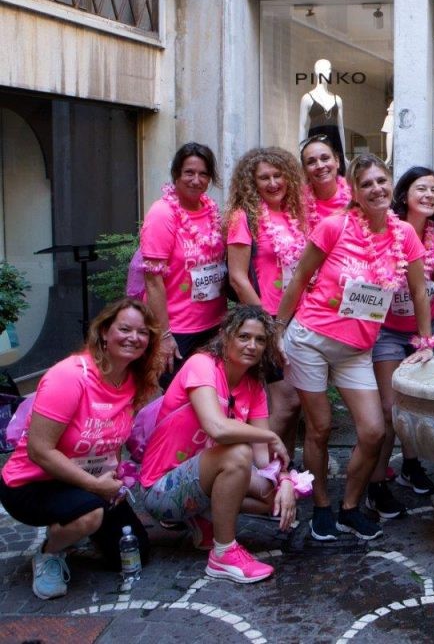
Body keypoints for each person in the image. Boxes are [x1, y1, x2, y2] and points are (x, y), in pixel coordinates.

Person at [276, 154, 434, 542]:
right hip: (311, 339)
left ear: (391, 184)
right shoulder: (334, 226)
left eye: (381, 181)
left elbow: (419, 291)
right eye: (366, 184)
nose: (376, 189)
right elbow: (300, 278)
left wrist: (425, 342)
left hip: (357, 349)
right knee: (320, 427)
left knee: (373, 430)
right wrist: (277, 329)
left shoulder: (404, 235)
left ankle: (349, 507)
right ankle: (322, 508)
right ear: (355, 192)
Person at [0, 299, 160, 599]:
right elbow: (39, 451)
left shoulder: (133, 380)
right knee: (91, 515)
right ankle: (50, 552)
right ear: (104, 332)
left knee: (134, 552)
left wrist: (112, 478)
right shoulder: (70, 376)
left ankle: (75, 525)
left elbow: (112, 438)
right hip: (32, 483)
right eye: (125, 329)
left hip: (86, 479)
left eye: (143, 332)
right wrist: (96, 487)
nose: (134, 337)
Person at [140, 306, 295, 584]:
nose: (252, 345)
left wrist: (285, 480)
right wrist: (271, 436)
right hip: (162, 490)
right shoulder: (202, 365)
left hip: (200, 479)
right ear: (225, 336)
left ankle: (204, 517)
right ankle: (223, 554)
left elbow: (264, 459)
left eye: (260, 340)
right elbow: (217, 428)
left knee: (273, 494)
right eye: (244, 336)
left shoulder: (254, 386)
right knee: (237, 453)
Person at [367, 167, 434, 517]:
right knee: (390, 409)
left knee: (418, 400)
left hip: (429, 326)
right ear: (403, 195)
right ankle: (375, 485)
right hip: (387, 330)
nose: (429, 195)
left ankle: (411, 465)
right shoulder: (386, 229)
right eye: (421, 189)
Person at [225, 146, 307, 457]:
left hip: (296, 318)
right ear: (252, 182)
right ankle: (260, 466)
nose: (273, 183)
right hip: (267, 319)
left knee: (294, 402)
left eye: (278, 175)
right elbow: (237, 277)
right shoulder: (243, 218)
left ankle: (284, 468)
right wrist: (265, 326)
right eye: (264, 178)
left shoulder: (294, 215)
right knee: (285, 401)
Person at [140, 143, 226, 385]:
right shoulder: (162, 214)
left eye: (203, 174)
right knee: (178, 400)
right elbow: (152, 281)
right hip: (177, 331)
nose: (196, 180)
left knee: (211, 394)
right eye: (189, 172)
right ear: (176, 174)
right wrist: (163, 335)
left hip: (213, 326)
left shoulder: (211, 210)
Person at [298, 59, 346, 170]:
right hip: (315, 144)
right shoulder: (307, 98)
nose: (328, 72)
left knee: (337, 174)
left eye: (329, 70)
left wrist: (344, 154)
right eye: (325, 69)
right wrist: (301, 151)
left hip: (335, 144)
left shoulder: (337, 99)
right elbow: (302, 127)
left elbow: (341, 128)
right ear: (317, 71)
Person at [300, 133, 352, 232]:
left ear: (337, 161)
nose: (320, 166)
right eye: (311, 162)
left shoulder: (356, 196)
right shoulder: (297, 203)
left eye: (325, 158)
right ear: (304, 170)